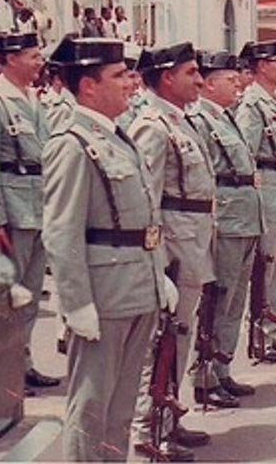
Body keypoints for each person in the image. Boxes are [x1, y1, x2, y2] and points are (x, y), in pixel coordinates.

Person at [41, 36, 173, 461]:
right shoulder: (72, 143)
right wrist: (76, 304)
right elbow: (62, 231)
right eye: (118, 76)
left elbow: (143, 217)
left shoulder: (118, 137)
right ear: (89, 86)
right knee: (91, 405)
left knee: (120, 406)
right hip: (103, 295)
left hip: (137, 287)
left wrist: (159, 275)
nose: (130, 84)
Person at [129, 42, 215, 457]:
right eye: (191, 72)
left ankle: (168, 420)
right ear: (167, 77)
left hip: (191, 238)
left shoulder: (180, 121)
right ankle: (148, 431)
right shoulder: (153, 126)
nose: (199, 80)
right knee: (164, 340)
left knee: (181, 335)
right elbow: (145, 200)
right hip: (173, 246)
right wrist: (157, 260)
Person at [0, 32, 60, 395]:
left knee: (31, 293)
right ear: (10, 59)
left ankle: (22, 363)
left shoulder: (33, 99)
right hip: (12, 211)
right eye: (33, 56)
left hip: (38, 210)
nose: (40, 62)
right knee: (8, 297)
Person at [187, 50, 261, 402]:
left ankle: (223, 367)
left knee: (236, 299)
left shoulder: (227, 117)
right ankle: (204, 376)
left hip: (245, 215)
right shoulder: (201, 120)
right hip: (227, 218)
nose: (238, 85)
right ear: (210, 84)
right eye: (230, 80)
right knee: (219, 298)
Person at [235, 40, 276, 361]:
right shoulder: (252, 105)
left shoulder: (275, 102)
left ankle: (272, 331)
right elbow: (246, 156)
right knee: (267, 265)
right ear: (262, 66)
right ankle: (260, 335)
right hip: (267, 194)